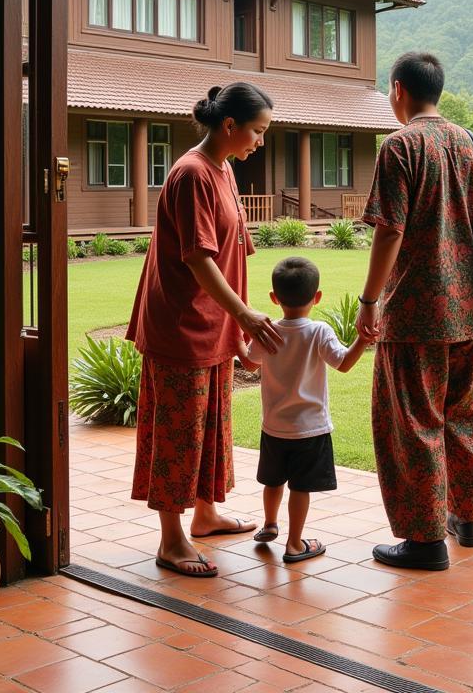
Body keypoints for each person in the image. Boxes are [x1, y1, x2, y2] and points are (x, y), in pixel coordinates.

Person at [128, 82, 284, 579]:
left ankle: (205, 514)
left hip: (212, 321)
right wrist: (244, 314)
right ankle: (171, 541)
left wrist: (235, 319)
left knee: (210, 423)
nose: (260, 142)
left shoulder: (223, 170)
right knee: (177, 431)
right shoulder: (192, 173)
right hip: (181, 323)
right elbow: (198, 257)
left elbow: (233, 249)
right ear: (230, 125)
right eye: (257, 132)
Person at [356, 52, 473, 571]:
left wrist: (370, 300)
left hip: (417, 313)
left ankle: (424, 541)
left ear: (397, 89)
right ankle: (466, 520)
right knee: (464, 417)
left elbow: (389, 228)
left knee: (414, 423)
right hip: (470, 311)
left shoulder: (401, 146)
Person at [240, 256, 367, 563]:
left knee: (273, 480)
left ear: (274, 298)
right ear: (317, 297)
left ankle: (270, 523)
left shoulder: (267, 331)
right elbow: (344, 363)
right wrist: (364, 339)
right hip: (310, 428)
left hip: (273, 426)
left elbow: (248, 363)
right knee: (300, 488)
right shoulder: (319, 331)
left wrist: (235, 341)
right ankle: (294, 543)